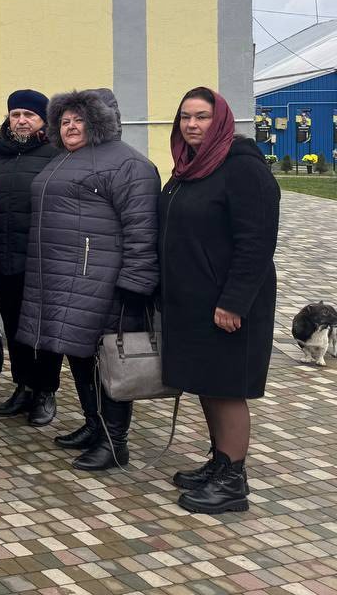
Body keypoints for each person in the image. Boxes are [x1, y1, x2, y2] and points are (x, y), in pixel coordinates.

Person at [19, 88, 160, 471]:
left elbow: (142, 229)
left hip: (103, 284)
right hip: (63, 280)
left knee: (106, 361)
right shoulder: (65, 159)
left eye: (78, 120)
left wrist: (136, 283)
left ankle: (114, 443)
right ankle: (94, 425)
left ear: (99, 122)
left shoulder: (128, 164)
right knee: (80, 356)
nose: (70, 127)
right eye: (64, 121)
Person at [160, 87, 279, 514]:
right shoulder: (189, 167)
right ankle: (220, 462)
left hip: (228, 304)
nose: (192, 125)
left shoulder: (242, 168)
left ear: (221, 120)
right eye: (185, 117)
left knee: (228, 387)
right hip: (193, 301)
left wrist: (234, 301)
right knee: (208, 383)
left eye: (202, 116)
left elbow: (256, 242)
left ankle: (233, 483)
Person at [0, 89, 60, 426]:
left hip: (42, 259)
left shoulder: (55, 154)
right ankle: (23, 385)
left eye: (29, 115)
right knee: (14, 326)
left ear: (43, 120)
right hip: (3, 256)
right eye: (15, 114)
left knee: (43, 328)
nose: (21, 120)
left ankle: (45, 390)